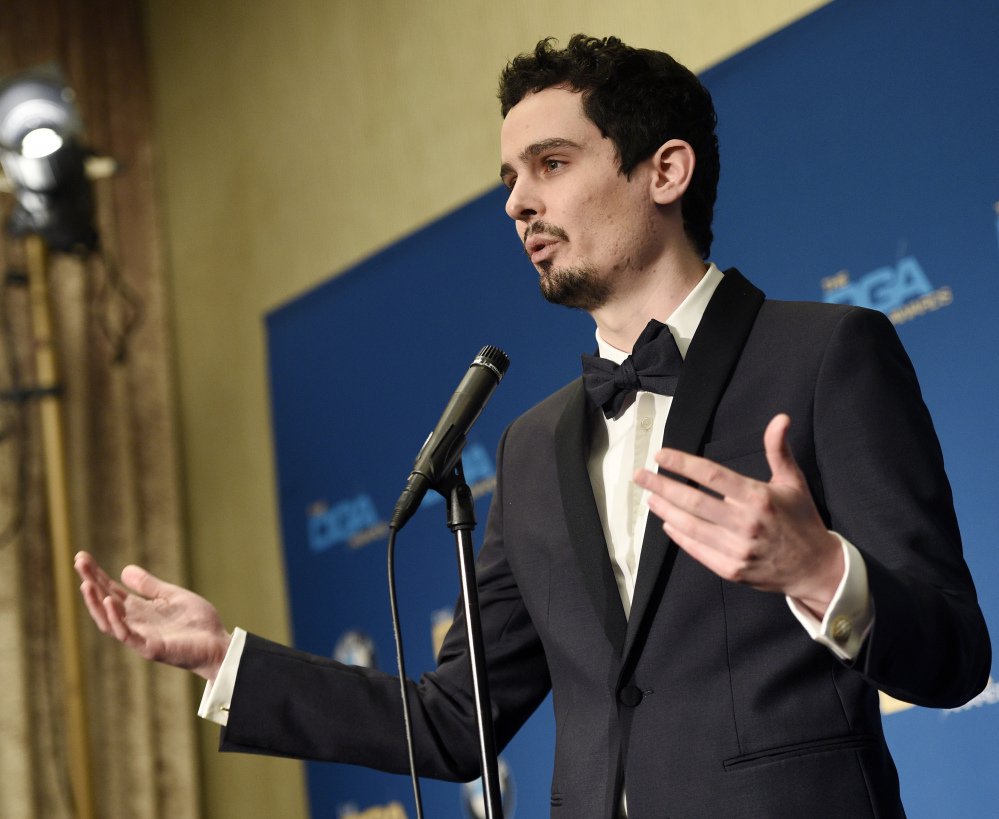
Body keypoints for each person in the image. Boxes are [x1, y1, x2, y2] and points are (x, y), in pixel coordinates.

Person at [76, 35, 990, 818]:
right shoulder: (530, 444)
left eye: (550, 165)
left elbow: (953, 657)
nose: (516, 202)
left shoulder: (828, 352)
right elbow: (452, 718)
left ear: (664, 170)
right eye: (509, 177)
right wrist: (225, 659)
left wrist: (818, 568)